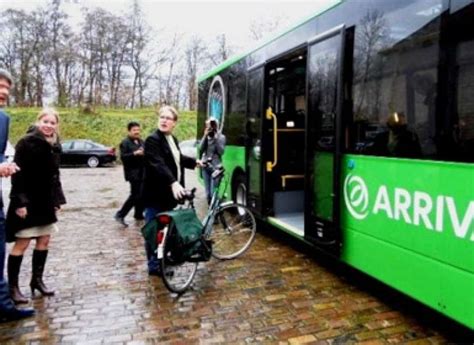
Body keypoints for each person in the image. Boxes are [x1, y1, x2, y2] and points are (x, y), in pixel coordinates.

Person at [6, 107, 66, 304]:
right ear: (39, 122)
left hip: (46, 202)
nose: (48, 126)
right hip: (28, 201)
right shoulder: (26, 143)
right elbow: (18, 174)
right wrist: (19, 202)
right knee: (22, 243)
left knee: (44, 240)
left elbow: (55, 175)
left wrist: (58, 199)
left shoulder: (55, 145)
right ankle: (13, 287)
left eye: (52, 123)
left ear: (57, 125)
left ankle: (37, 280)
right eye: (45, 122)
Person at [141, 105, 198, 275]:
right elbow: (158, 164)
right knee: (154, 229)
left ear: (174, 123)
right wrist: (173, 182)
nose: (164, 121)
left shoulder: (172, 139)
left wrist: (195, 163)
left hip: (168, 195)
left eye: (168, 118)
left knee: (165, 230)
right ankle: (153, 265)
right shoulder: (153, 140)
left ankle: (162, 259)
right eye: (162, 117)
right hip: (155, 194)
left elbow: (177, 158)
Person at [0, 68, 35, 321]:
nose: (3, 92)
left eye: (7, 89)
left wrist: (6, 165)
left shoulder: (3, 120)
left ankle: (3, 306)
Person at [114, 121, 145, 227]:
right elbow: (123, 157)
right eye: (134, 130)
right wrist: (135, 153)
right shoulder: (125, 143)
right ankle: (120, 214)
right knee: (135, 195)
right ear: (129, 131)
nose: (137, 132)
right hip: (132, 173)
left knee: (141, 194)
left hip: (142, 172)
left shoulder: (141, 141)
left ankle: (138, 214)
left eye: (138, 130)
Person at [199, 117, 226, 204]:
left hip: (216, 168)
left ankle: (216, 212)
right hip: (205, 167)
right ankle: (211, 212)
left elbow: (221, 152)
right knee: (207, 194)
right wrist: (205, 136)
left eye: (211, 126)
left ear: (216, 127)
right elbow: (201, 149)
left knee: (213, 194)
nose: (210, 128)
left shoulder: (221, 137)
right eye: (208, 126)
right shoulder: (206, 137)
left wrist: (216, 139)